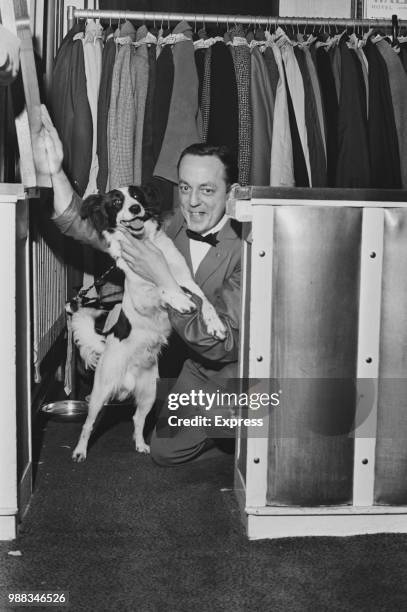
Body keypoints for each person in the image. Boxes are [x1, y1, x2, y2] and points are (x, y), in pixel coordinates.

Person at [32, 105, 242, 465]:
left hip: (221, 368)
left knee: (196, 443)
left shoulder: (246, 247)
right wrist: (55, 172)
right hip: (168, 354)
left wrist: (161, 276)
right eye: (186, 188)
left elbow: (220, 345)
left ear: (231, 192)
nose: (193, 202)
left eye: (207, 190)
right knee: (165, 449)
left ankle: (237, 423)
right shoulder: (169, 224)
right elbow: (84, 226)